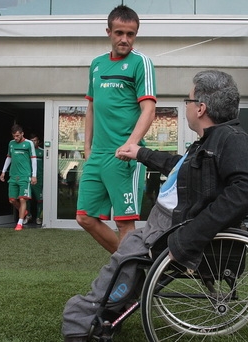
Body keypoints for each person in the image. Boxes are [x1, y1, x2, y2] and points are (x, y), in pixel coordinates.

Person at [62, 70, 248, 342]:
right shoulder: (211, 139)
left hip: (177, 229)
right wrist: (141, 153)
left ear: (201, 108)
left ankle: (78, 321)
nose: (186, 105)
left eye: (188, 99)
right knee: (129, 253)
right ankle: (106, 312)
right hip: (168, 223)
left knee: (128, 257)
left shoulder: (232, 140)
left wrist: (194, 234)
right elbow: (180, 168)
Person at [76, 5, 157, 254]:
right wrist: (87, 147)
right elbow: (91, 108)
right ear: (109, 31)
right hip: (97, 155)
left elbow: (149, 110)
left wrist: (131, 145)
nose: (124, 39)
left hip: (124, 156)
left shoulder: (141, 63)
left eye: (130, 34)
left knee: (125, 225)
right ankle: (130, 266)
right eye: (119, 32)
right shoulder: (97, 64)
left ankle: (128, 281)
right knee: (84, 217)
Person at [0, 124, 37, 231]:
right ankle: (24, 212)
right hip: (13, 175)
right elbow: (9, 157)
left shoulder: (29, 144)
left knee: (22, 199)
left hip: (25, 176)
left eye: (17, 136)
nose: (15, 138)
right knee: (12, 200)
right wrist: (3, 172)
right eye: (14, 136)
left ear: (22, 134)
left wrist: (34, 175)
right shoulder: (11, 144)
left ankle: (19, 223)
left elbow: (33, 159)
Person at [29, 133, 44, 225]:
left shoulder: (42, 151)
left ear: (38, 141)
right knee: (26, 198)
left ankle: (38, 217)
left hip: (39, 179)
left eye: (35, 140)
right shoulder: (27, 151)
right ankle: (28, 215)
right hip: (28, 178)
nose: (34, 142)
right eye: (32, 140)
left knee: (39, 199)